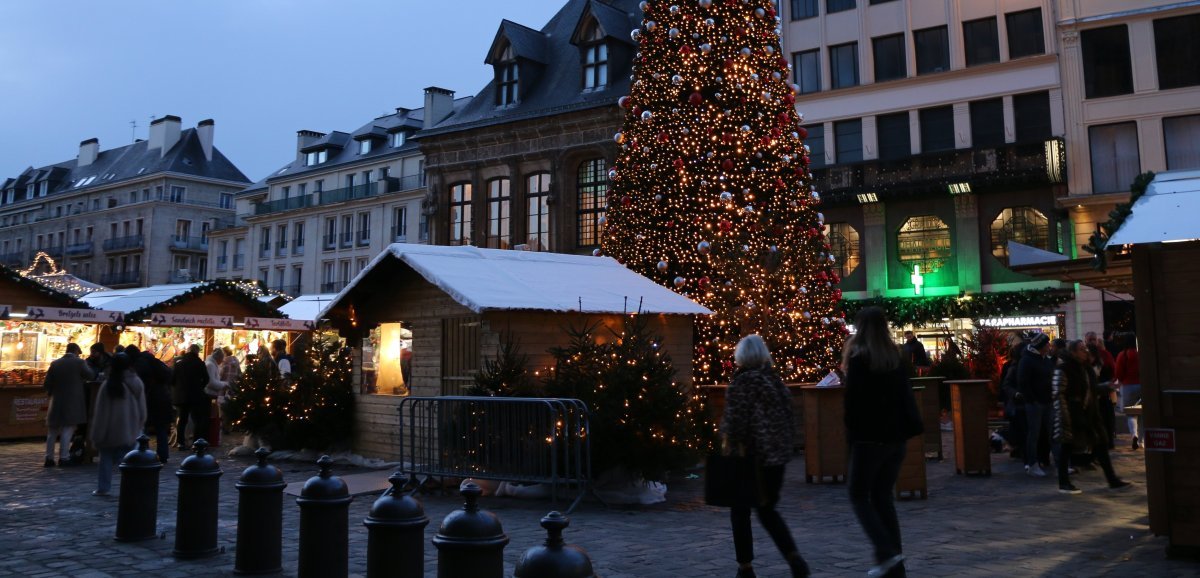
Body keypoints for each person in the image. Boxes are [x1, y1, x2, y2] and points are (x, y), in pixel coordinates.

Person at [720, 334, 809, 578]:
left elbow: (734, 423)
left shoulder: (742, 383)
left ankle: (745, 566)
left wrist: (726, 443)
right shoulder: (776, 381)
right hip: (776, 459)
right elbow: (789, 419)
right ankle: (793, 557)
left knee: (740, 510)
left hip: (750, 457)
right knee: (768, 510)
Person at [843, 307, 916, 578]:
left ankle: (886, 553)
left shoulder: (860, 359)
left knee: (859, 495)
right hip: (895, 440)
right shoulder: (893, 357)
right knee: (883, 497)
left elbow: (853, 405)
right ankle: (896, 564)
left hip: (869, 439)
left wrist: (851, 437)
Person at [1052, 340, 1132, 494]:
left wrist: (1107, 387)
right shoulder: (1064, 369)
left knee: (1100, 444)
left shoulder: (1086, 368)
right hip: (1073, 412)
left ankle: (1112, 479)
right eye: (1082, 349)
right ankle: (1064, 482)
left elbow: (1092, 389)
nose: (1085, 351)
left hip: (1089, 413)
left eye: (1085, 349)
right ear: (1073, 352)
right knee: (1066, 447)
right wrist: (1064, 416)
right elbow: (1058, 394)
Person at [89, 353, 146, 496]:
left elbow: (101, 413)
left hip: (109, 432)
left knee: (105, 460)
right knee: (127, 462)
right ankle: (130, 487)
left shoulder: (108, 384)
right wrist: (138, 427)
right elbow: (142, 411)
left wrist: (97, 435)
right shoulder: (137, 382)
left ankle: (103, 487)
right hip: (130, 431)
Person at [42, 343, 95, 467]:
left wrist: (52, 393)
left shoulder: (55, 363)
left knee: (52, 431)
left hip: (56, 400)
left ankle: (49, 458)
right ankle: (63, 458)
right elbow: (90, 375)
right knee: (68, 429)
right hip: (73, 401)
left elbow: (47, 383)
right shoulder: (79, 362)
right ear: (76, 351)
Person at [126, 344, 174, 463]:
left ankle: (144, 453)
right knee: (161, 428)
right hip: (162, 397)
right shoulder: (153, 360)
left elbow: (140, 382)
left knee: (144, 427)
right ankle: (163, 455)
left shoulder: (139, 364)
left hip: (150, 398)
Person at [1017, 333, 1055, 477]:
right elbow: (1023, 383)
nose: (1049, 346)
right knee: (1034, 435)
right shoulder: (1027, 360)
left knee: (1052, 433)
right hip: (1036, 404)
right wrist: (1033, 399)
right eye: (1047, 344)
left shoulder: (1045, 359)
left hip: (1047, 401)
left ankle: (1060, 463)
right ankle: (1032, 464)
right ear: (1042, 346)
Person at [171, 344, 210, 449]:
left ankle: (181, 442)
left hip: (181, 396)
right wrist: (200, 387)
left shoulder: (179, 363)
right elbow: (206, 379)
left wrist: (178, 389)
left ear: (188, 351)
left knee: (182, 420)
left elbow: (172, 379)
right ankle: (196, 442)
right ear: (197, 352)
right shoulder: (200, 363)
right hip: (195, 396)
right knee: (197, 419)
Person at [1113, 333, 1142, 449]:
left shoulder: (1122, 355)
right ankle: (1142, 440)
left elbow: (1119, 373)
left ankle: (1134, 435)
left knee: (1131, 414)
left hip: (1128, 386)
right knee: (1142, 413)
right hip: (1141, 384)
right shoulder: (1141, 353)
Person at [999, 342, 1027, 459]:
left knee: (1018, 427)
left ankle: (1019, 449)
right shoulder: (1012, 366)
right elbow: (1005, 384)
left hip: (1016, 402)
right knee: (1018, 427)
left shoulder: (1011, 365)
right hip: (1016, 402)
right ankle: (1019, 449)